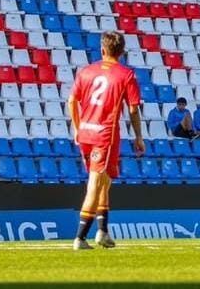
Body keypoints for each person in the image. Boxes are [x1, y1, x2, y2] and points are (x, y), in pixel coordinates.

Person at [68, 31, 144, 250]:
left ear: (102, 50)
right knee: (96, 182)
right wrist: (138, 136)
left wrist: (77, 126)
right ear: (122, 52)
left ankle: (102, 232)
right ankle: (80, 237)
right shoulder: (125, 74)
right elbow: (133, 108)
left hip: (86, 133)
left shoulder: (86, 71)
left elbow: (72, 101)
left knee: (105, 181)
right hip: (105, 135)